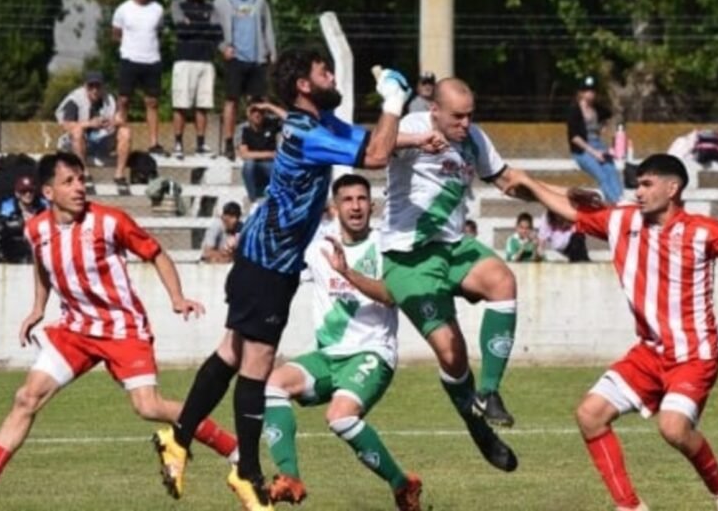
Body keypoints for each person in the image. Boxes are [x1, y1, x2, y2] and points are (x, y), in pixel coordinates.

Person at [152, 50, 409, 511]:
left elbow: (378, 142)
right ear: (304, 86)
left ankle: (179, 438)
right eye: (323, 70)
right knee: (256, 362)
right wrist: (392, 102)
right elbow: (374, 154)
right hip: (268, 264)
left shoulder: (323, 125)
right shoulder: (307, 131)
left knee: (232, 351)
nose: (331, 75)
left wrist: (430, 133)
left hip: (265, 259)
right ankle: (246, 474)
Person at [509, 153, 718, 511]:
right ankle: (630, 506)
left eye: (647, 183)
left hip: (694, 355)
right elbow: (571, 210)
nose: (638, 191)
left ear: (673, 188)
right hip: (649, 353)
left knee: (672, 428)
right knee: (590, 415)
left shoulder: (704, 231)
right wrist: (529, 183)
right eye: (637, 184)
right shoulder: (622, 221)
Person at [0, 152, 239, 510]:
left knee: (148, 406)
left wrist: (177, 297)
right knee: (26, 397)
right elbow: (43, 267)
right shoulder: (37, 229)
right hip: (75, 329)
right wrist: (38, 307)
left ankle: (233, 450)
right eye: (69, 181)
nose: (80, 187)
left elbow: (156, 254)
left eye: (81, 179)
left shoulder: (110, 221)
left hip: (122, 329)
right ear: (47, 193)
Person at [382, 77, 532, 474]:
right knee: (452, 352)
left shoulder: (474, 138)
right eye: (457, 117)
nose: (465, 124)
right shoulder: (414, 125)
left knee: (503, 280)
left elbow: (506, 180)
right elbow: (372, 149)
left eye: (470, 116)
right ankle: (477, 427)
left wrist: (562, 199)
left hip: (452, 247)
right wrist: (415, 144)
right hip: (407, 256)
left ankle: (489, 392)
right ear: (435, 110)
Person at [263, 174, 421, 510]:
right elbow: (281, 262)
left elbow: (391, 296)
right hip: (328, 356)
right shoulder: (318, 246)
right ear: (335, 208)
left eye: (362, 199)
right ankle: (290, 477)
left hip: (372, 353)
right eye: (347, 200)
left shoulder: (385, 247)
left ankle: (401, 484)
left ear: (372, 206)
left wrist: (348, 272)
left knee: (339, 417)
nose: (356, 206)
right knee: (273, 384)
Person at [215, 0, 277, 161]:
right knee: (231, 100)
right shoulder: (221, 1)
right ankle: (228, 142)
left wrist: (272, 52)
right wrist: (223, 47)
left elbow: (268, 27)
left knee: (257, 102)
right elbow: (214, 29)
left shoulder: (258, 0)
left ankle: (257, 140)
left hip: (257, 57)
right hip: (235, 57)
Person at [169, 0, 223, 159]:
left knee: (203, 104)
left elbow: (217, 31)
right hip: (184, 59)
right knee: (181, 104)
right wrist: (203, 25)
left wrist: (194, 24)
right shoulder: (177, 4)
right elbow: (181, 28)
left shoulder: (211, 6)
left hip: (206, 60)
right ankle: (178, 143)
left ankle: (201, 144)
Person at [112, 0, 165, 156]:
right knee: (124, 100)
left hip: (151, 60)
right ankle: (119, 140)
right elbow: (116, 33)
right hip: (129, 59)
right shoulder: (122, 9)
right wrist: (128, 48)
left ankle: (154, 142)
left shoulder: (158, 9)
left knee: (151, 102)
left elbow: (159, 31)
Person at [55, 71, 130, 195]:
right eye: (91, 86)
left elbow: (122, 119)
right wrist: (90, 124)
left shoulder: (110, 99)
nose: (95, 90)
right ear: (85, 86)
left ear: (103, 87)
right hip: (80, 142)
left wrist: (114, 122)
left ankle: (119, 175)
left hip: (103, 140)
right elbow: (66, 124)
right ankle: (85, 173)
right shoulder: (75, 99)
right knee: (77, 131)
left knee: (125, 131)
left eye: (98, 86)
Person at [566, 75, 623, 203]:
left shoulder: (596, 108)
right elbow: (575, 137)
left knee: (611, 171)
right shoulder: (575, 110)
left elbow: (609, 115)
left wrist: (603, 127)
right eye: (587, 91)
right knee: (602, 176)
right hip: (583, 150)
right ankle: (615, 203)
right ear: (580, 93)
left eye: (592, 91)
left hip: (598, 144)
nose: (590, 94)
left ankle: (621, 200)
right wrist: (594, 152)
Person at [238, 100, 286, 203]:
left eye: (261, 111)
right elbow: (244, 154)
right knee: (248, 164)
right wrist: (269, 154)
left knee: (277, 167)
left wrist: (269, 106)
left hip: (270, 165)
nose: (257, 114)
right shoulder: (244, 129)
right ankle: (253, 200)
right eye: (254, 111)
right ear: (249, 114)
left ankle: (279, 199)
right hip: (256, 166)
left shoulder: (271, 124)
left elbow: (289, 119)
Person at [0, 176, 45, 264]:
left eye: (31, 191)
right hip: (15, 265)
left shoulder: (43, 212)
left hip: (39, 265)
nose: (28, 194)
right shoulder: (7, 215)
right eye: (23, 191)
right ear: (17, 193)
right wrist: (5, 265)